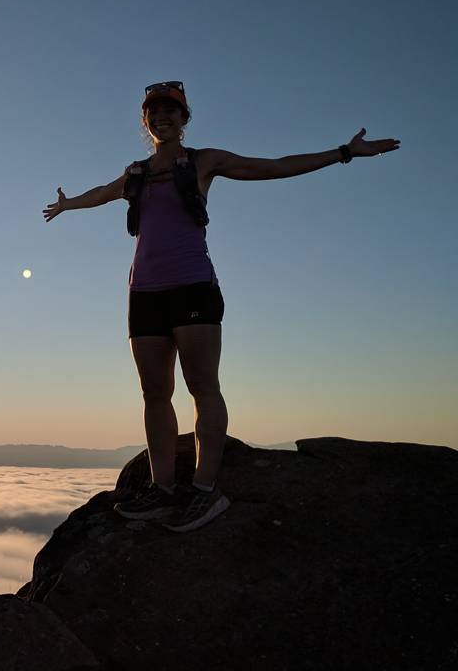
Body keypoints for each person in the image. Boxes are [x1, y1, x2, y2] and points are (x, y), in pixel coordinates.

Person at [42, 81, 400, 532]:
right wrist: (69, 204)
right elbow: (103, 193)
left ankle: (205, 491)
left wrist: (343, 153)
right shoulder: (136, 172)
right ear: (145, 121)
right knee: (155, 394)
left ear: (184, 119)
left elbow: (271, 168)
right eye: (154, 112)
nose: (163, 117)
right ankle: (162, 488)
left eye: (172, 111)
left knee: (202, 388)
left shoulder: (203, 161)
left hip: (193, 287)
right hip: (144, 293)